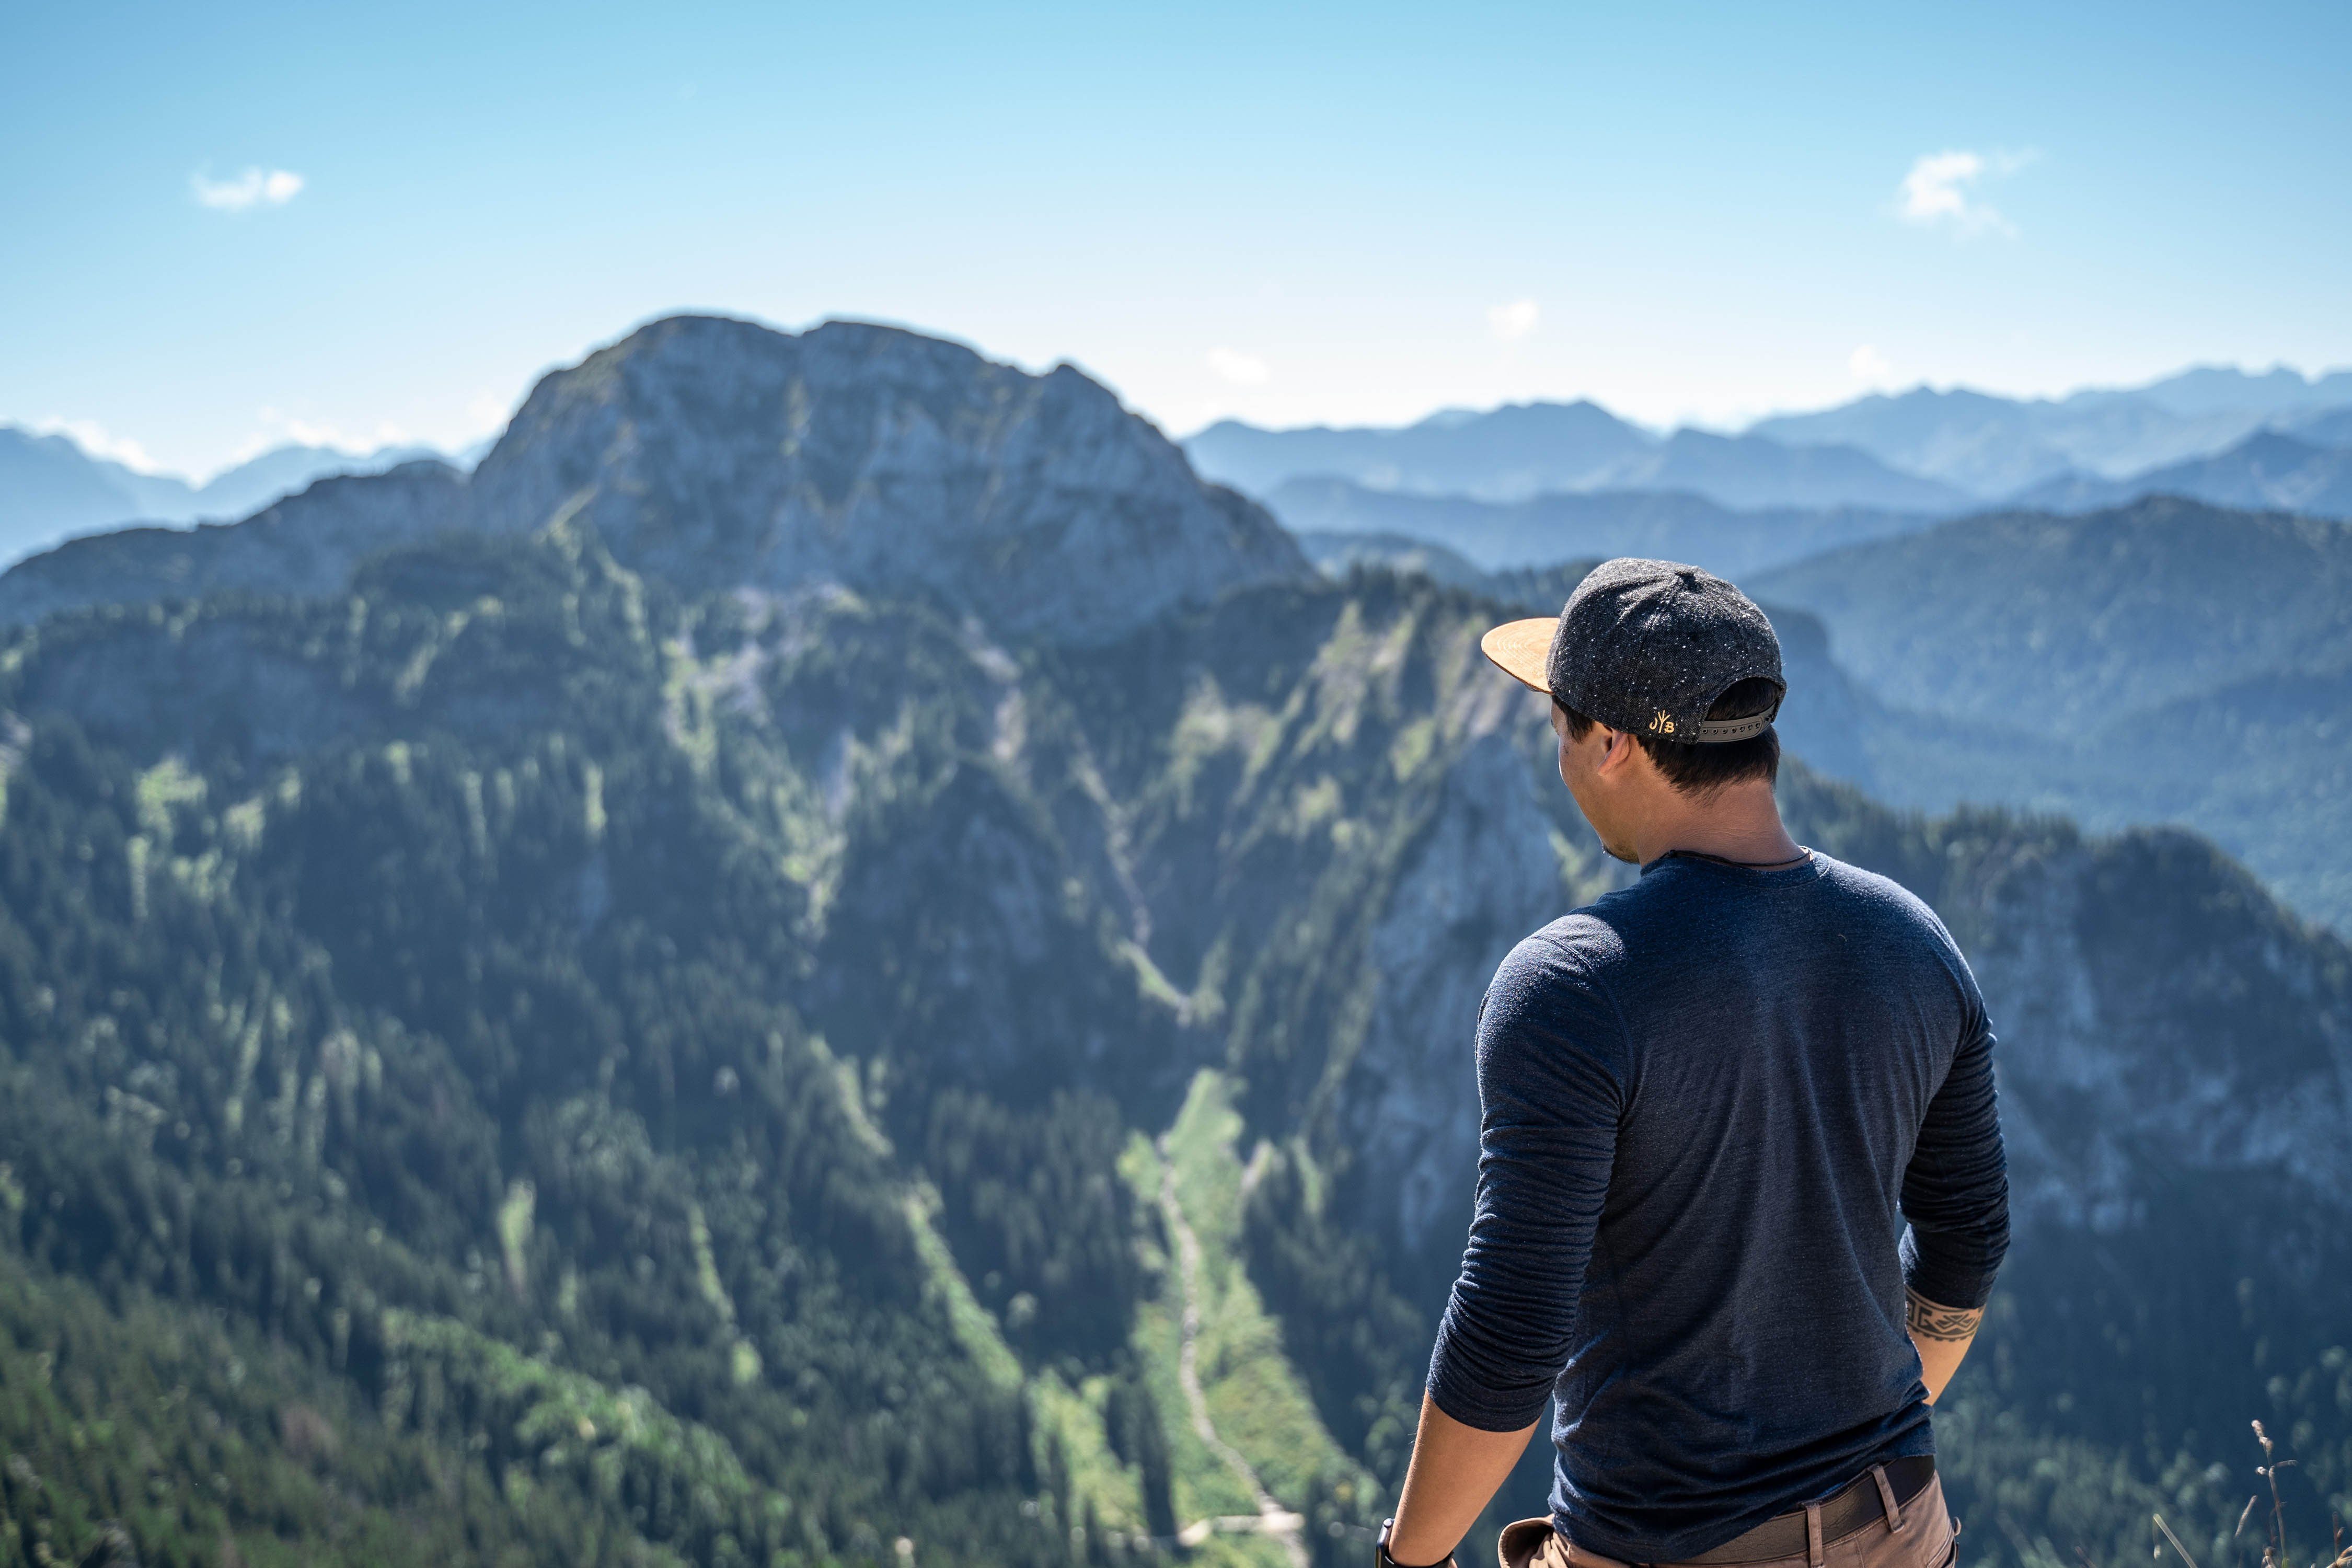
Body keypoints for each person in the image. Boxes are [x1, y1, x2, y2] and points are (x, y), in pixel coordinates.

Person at [1375, 559, 2009, 1568]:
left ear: (1616, 743)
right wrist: (1870, 1438)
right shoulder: (1916, 945)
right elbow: (1967, 1234)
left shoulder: (1574, 985)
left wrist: (1405, 1562)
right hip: (1901, 1529)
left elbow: (1512, 1324)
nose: (1562, 759)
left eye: (1562, 728)